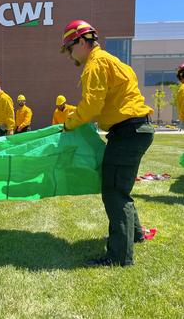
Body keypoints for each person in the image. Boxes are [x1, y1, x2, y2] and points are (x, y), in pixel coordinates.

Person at [60, 20, 154, 267]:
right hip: (135, 129)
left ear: (81, 42)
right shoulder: (111, 60)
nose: (69, 55)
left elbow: (91, 106)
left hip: (127, 131)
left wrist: (69, 123)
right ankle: (133, 235)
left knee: (113, 190)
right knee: (121, 189)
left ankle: (119, 256)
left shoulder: (96, 64)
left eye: (69, 49)